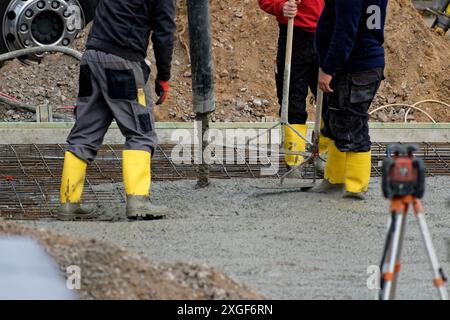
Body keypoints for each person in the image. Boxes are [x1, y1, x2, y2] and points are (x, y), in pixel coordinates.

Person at [58, 0, 176, 220]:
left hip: (92, 58)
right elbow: (164, 33)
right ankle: (138, 202)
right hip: (123, 62)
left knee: (84, 133)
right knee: (141, 132)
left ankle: (68, 203)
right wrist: (164, 76)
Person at [314, 0, 387, 199]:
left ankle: (355, 187)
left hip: (354, 64)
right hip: (362, 63)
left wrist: (329, 68)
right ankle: (335, 179)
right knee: (338, 122)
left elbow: (345, 30)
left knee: (352, 125)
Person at [258, 0, 330, 172]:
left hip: (325, 36)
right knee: (292, 101)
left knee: (329, 101)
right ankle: (294, 160)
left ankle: (324, 154)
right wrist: (281, 7)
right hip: (293, 36)